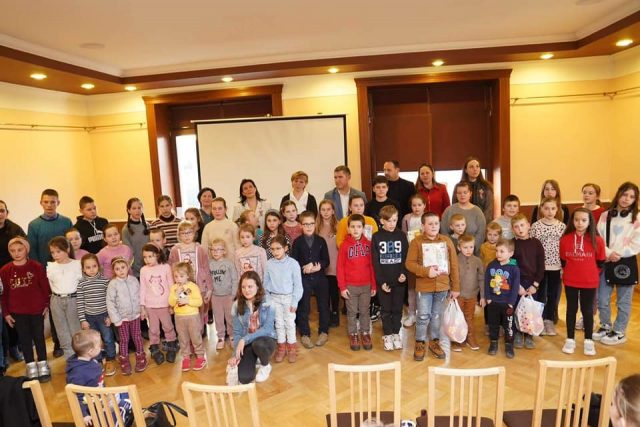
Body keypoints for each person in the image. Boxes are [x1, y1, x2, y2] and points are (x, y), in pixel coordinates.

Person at [405, 212, 460, 361]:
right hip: (424, 286)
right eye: (430, 224)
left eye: (436, 223)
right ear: (423, 226)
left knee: (437, 316)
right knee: (423, 316)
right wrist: (426, 271)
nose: (434, 226)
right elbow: (409, 264)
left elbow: (454, 265)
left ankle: (434, 342)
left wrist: (455, 287)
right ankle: (420, 342)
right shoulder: (416, 242)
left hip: (442, 286)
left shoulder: (446, 241)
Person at [28, 189, 72, 358]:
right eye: (46, 202)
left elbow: (71, 246)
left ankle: (74, 341)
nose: (49, 205)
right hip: (48, 274)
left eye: (53, 202)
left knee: (70, 307)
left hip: (67, 271)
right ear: (41, 203)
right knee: (55, 310)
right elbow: (32, 252)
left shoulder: (66, 222)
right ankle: (58, 342)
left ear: (58, 203)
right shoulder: (34, 225)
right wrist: (41, 275)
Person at [595, 182, 640, 346]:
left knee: (623, 300)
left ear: (635, 200)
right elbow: (598, 238)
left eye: (631, 197)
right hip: (607, 260)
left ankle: (619, 331)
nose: (627, 199)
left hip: (625, 263)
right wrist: (608, 253)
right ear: (618, 194)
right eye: (624, 194)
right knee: (602, 298)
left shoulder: (637, 218)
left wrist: (617, 254)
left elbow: (637, 243)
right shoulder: (605, 216)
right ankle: (605, 325)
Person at [0, 237, 51, 381]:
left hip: (36, 309)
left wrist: (46, 304)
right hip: (17, 312)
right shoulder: (5, 270)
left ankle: (43, 364)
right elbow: (3, 294)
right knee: (24, 339)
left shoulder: (36, 266)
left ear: (26, 250)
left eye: (19, 250)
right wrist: (6, 313)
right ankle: (30, 365)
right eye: (12, 251)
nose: (16, 253)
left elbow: (45, 287)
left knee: (39, 337)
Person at [559, 208, 605, 356]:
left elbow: (600, 262)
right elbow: (563, 260)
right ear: (572, 221)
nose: (580, 223)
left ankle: (588, 341)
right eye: (577, 220)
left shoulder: (597, 240)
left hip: (589, 282)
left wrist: (590, 274)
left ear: (590, 222)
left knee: (587, 311)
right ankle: (570, 339)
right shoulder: (565, 239)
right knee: (571, 309)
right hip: (570, 281)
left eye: (584, 220)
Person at [66, 329, 133, 426]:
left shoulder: (89, 359)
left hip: (101, 395)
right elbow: (75, 397)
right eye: (99, 346)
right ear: (90, 351)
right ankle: (115, 421)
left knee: (126, 394)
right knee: (125, 402)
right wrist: (84, 415)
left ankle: (119, 413)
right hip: (95, 406)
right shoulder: (77, 374)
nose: (101, 347)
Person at [291, 210, 330, 348]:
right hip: (304, 279)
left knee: (323, 305)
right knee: (304, 306)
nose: (309, 227)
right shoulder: (297, 242)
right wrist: (304, 267)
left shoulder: (321, 241)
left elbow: (326, 261)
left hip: (320, 278)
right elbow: (293, 261)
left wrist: (316, 266)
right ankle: (305, 334)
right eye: (305, 224)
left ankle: (324, 331)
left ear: (315, 224)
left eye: (311, 224)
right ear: (301, 225)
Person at [337, 214, 377, 351]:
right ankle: (353, 334)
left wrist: (374, 285)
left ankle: (365, 333)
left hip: (366, 285)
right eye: (352, 227)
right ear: (348, 229)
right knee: (352, 312)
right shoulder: (344, 246)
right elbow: (340, 267)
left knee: (365, 311)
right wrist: (342, 287)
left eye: (359, 227)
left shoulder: (369, 244)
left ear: (363, 228)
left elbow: (372, 266)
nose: (355, 229)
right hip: (350, 286)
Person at [229, 271, 277, 384]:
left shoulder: (269, 302)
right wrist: (235, 355)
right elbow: (237, 332)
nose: (246, 290)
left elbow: (268, 329)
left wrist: (244, 339)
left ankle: (265, 365)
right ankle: (255, 358)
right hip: (248, 343)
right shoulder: (236, 305)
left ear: (258, 286)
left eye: (250, 286)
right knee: (244, 378)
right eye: (243, 287)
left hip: (265, 340)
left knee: (258, 344)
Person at [372, 205, 408, 351]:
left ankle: (396, 333)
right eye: (389, 221)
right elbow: (375, 261)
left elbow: (406, 257)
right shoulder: (376, 237)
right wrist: (381, 282)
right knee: (386, 309)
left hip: (399, 281)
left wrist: (404, 273)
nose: (392, 223)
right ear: (382, 221)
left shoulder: (401, 236)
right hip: (384, 282)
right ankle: (387, 334)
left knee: (397, 309)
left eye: (395, 220)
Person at [530, 197, 566, 336]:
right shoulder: (535, 226)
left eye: (553, 208)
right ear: (541, 209)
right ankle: (539, 320)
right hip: (540, 267)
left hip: (556, 267)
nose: (550, 211)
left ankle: (549, 320)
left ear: (557, 210)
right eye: (546, 208)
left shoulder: (561, 227)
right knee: (540, 294)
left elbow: (564, 248)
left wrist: (563, 267)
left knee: (552, 294)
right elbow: (532, 246)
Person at [264, 235, 302, 363]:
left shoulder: (293, 264)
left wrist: (295, 301)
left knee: (290, 323)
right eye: (272, 249)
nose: (275, 252)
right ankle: (281, 347)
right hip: (274, 298)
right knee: (279, 324)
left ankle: (292, 348)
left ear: (285, 248)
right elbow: (265, 284)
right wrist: (268, 300)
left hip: (289, 298)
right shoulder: (269, 264)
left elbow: (298, 285)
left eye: (278, 248)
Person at [76, 253, 116, 376]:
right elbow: (80, 302)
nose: (92, 269)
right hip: (89, 318)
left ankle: (110, 359)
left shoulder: (105, 281)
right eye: (88, 267)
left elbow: (110, 300)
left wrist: (110, 316)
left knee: (108, 338)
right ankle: (97, 360)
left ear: (98, 266)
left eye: (94, 266)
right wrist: (83, 320)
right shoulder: (81, 283)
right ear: (83, 269)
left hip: (103, 315)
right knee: (94, 341)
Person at [106, 257, 147, 375]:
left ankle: (141, 357)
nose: (121, 271)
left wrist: (142, 310)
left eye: (123, 267)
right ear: (113, 271)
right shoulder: (113, 284)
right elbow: (110, 302)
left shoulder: (134, 280)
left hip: (135, 316)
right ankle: (124, 360)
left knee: (137, 337)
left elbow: (140, 296)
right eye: (117, 269)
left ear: (128, 267)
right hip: (122, 319)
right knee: (124, 340)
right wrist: (116, 319)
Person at [168, 220, 213, 327]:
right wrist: (173, 288)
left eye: (189, 232)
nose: (186, 235)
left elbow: (206, 268)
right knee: (184, 311)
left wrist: (209, 288)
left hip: (200, 286)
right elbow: (171, 269)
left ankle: (200, 331)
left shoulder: (200, 249)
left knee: (199, 311)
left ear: (194, 233)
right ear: (179, 235)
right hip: (182, 288)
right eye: (183, 233)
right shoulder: (175, 250)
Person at [511, 213, 545, 349]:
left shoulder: (536, 243)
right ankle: (518, 333)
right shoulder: (512, 244)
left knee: (530, 309)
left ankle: (529, 334)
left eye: (522, 225)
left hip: (532, 283)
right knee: (517, 308)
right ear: (513, 229)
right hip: (517, 283)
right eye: (516, 227)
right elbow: (511, 266)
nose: (520, 229)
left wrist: (535, 285)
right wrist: (517, 285)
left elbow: (541, 266)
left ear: (528, 226)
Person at [139, 243, 177, 364]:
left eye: (150, 256)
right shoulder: (143, 270)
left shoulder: (165, 267)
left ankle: (172, 345)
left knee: (168, 327)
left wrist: (172, 304)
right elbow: (142, 289)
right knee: (153, 329)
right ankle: (154, 348)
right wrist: (142, 307)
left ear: (157, 255)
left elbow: (171, 285)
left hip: (165, 304)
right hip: (150, 306)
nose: (147, 259)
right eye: (145, 257)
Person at [47, 236, 82, 360]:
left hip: (73, 299)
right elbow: (51, 285)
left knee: (76, 331)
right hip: (56, 301)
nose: (55, 255)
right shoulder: (50, 266)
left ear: (67, 249)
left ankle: (81, 358)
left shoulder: (77, 264)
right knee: (62, 333)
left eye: (58, 251)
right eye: (52, 252)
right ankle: (70, 360)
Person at [485, 238, 520, 359]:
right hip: (493, 301)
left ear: (510, 253)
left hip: (507, 303)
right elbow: (486, 282)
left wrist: (511, 302)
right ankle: (493, 342)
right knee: (493, 324)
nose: (498, 254)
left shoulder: (514, 268)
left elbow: (515, 286)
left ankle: (509, 345)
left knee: (509, 325)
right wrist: (488, 297)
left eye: (502, 251)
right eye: (497, 251)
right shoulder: (491, 265)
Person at [168, 262, 206, 372]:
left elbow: (199, 302)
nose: (178, 279)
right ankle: (186, 357)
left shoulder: (193, 287)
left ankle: (200, 357)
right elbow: (171, 302)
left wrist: (187, 301)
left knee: (195, 337)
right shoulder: (174, 288)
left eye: (181, 276)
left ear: (188, 275)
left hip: (192, 316)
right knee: (183, 338)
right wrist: (176, 294)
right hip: (179, 317)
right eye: (176, 276)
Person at [401, 193, 427, 327]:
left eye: (419, 205)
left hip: (425, 257)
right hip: (411, 255)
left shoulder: (428, 218)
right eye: (414, 205)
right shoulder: (407, 218)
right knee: (411, 287)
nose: (416, 208)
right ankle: (412, 314)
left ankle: (423, 314)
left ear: (424, 206)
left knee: (424, 287)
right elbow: (403, 235)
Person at [456, 234, 485, 352]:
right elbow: (450, 278)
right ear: (459, 247)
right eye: (465, 247)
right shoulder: (454, 260)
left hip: (472, 296)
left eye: (471, 247)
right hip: (458, 296)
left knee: (469, 317)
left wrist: (482, 296)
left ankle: (470, 338)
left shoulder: (477, 261)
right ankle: (458, 339)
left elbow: (481, 279)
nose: (469, 250)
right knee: (458, 318)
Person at [441, 182, 486, 254]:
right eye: (459, 193)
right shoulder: (449, 210)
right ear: (456, 195)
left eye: (465, 192)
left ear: (470, 194)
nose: (462, 195)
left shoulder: (477, 212)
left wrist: (470, 249)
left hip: (472, 253)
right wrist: (452, 248)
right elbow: (444, 232)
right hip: (451, 252)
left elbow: (481, 234)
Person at [209, 238, 238, 350]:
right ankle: (220, 337)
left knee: (230, 317)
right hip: (215, 296)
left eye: (218, 249)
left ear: (224, 251)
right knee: (218, 318)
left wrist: (233, 294)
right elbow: (207, 279)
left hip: (228, 296)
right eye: (213, 250)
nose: (215, 252)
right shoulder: (209, 263)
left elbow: (235, 279)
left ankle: (232, 336)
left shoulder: (229, 263)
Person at [316, 200, 340, 327]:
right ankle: (325, 313)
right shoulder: (316, 227)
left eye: (328, 209)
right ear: (320, 211)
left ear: (333, 211)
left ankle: (335, 312)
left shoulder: (339, 226)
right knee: (323, 291)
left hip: (335, 263)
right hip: (321, 264)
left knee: (334, 290)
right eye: (323, 209)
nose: (326, 212)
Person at [453, 157, 494, 222]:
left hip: (483, 222)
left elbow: (489, 209)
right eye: (471, 167)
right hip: (463, 223)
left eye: (477, 166)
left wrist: (482, 222)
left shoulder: (486, 186)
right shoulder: (459, 186)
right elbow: (455, 206)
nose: (475, 169)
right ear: (466, 170)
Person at [121, 197, 150, 278]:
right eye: (134, 208)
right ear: (129, 210)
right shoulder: (126, 229)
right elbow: (128, 252)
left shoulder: (148, 226)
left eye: (139, 208)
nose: (137, 210)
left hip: (149, 265)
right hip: (135, 270)